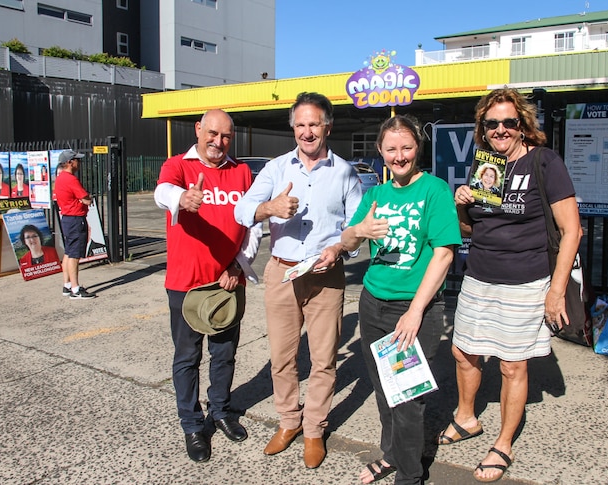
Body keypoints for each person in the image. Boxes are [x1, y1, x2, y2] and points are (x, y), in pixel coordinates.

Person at [447, 88, 582, 483]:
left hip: (525, 281)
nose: (501, 129)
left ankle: (503, 444)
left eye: (509, 122)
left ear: (522, 125)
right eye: (492, 124)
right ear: (483, 129)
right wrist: (461, 204)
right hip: (478, 277)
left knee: (511, 365)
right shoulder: (484, 164)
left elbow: (571, 231)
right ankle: (466, 417)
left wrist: (556, 291)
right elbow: (471, 228)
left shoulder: (544, 162)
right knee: (463, 351)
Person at [234, 92, 362, 469]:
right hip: (282, 272)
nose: (307, 132)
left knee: (323, 360)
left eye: (314, 124)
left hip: (326, 275)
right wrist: (269, 208)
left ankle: (313, 429)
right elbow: (242, 210)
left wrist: (339, 249)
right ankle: (289, 421)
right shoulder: (275, 169)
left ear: (328, 126)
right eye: (301, 124)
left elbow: (356, 227)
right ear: (293, 127)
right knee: (282, 358)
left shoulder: (345, 172)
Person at [341, 115, 461, 485]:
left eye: (406, 147)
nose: (399, 156)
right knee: (382, 389)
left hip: (415, 310)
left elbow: (444, 254)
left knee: (407, 398)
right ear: (380, 151)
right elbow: (347, 242)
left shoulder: (434, 191)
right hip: (373, 303)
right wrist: (359, 230)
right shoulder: (376, 195)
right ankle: (391, 455)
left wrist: (414, 312)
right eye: (391, 149)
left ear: (417, 149)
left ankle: (410, 476)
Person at [154, 109, 257, 463]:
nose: (218, 142)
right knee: (187, 357)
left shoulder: (241, 171)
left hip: (227, 281)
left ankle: (221, 410)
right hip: (185, 284)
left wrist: (237, 264)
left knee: (224, 354)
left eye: (226, 136)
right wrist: (181, 199)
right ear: (198, 129)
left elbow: (252, 225)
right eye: (212, 133)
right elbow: (163, 191)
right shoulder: (178, 167)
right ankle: (192, 424)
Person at [54, 150, 95, 299]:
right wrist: (85, 199)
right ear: (70, 162)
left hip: (67, 218)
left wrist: (82, 199)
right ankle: (76, 289)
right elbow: (86, 198)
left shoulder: (60, 178)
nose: (79, 163)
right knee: (74, 255)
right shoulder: (71, 179)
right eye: (77, 160)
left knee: (68, 252)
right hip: (76, 219)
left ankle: (67, 285)